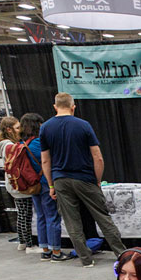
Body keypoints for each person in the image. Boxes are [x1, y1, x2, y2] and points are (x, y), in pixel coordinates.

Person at [40, 92, 127, 268]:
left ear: (55, 107)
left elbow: (45, 160)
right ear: (73, 107)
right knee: (103, 217)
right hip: (85, 178)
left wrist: (51, 185)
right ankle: (122, 254)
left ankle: (86, 259)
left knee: (72, 222)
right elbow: (98, 157)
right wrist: (97, 180)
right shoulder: (83, 125)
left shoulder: (46, 128)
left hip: (60, 179)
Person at [21, 112, 66, 262]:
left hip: (33, 184)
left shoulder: (24, 143)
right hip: (46, 182)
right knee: (52, 216)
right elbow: (49, 161)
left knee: (41, 216)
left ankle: (45, 250)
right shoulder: (38, 143)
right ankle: (56, 252)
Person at [0, 115, 37, 252]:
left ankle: (23, 242)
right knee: (26, 215)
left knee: (22, 214)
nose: (20, 130)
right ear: (9, 129)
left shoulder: (4, 145)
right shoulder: (9, 146)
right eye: (17, 128)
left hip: (13, 183)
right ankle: (29, 245)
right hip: (18, 183)